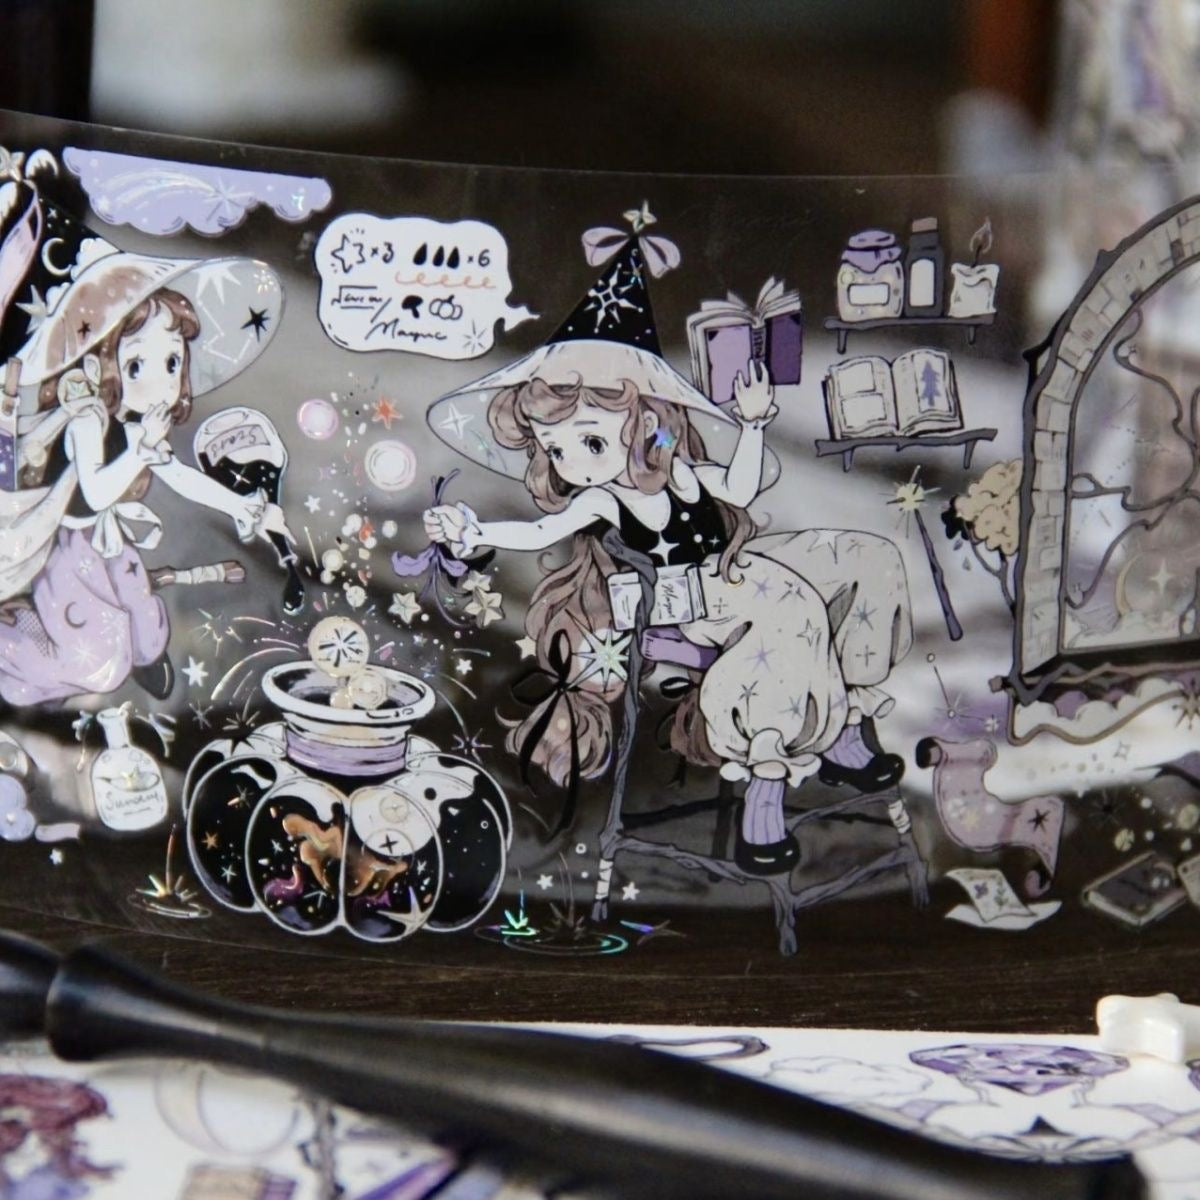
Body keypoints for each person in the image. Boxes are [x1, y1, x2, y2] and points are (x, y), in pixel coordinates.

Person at [425, 362, 912, 875]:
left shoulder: (679, 472)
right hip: (680, 599)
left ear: (643, 423)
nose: (574, 464)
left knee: (862, 557)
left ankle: (841, 721)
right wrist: (474, 532)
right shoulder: (602, 497)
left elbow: (740, 489)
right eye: (557, 451)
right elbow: (541, 531)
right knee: (793, 609)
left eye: (591, 442)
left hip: (730, 573)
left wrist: (752, 425)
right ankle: (766, 783)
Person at [0, 250, 290, 706]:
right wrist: (139, 451)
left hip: (107, 541)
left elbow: (180, 477)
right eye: (137, 366)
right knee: (101, 656)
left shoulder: (136, 428)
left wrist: (242, 506)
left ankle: (147, 654)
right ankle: (15, 647)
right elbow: (96, 492)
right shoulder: (86, 422)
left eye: (172, 363)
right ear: (99, 367)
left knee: (144, 617)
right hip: (67, 551)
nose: (161, 384)